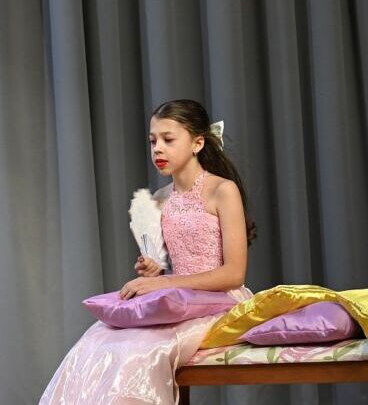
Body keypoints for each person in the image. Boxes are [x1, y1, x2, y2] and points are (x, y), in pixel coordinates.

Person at [40, 99, 257, 404]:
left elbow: (234, 274)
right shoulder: (159, 199)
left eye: (168, 140)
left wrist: (165, 282)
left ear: (197, 144)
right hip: (177, 299)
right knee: (97, 340)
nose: (158, 149)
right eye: (153, 141)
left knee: (139, 350)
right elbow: (166, 264)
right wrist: (154, 270)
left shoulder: (222, 190)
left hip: (220, 301)